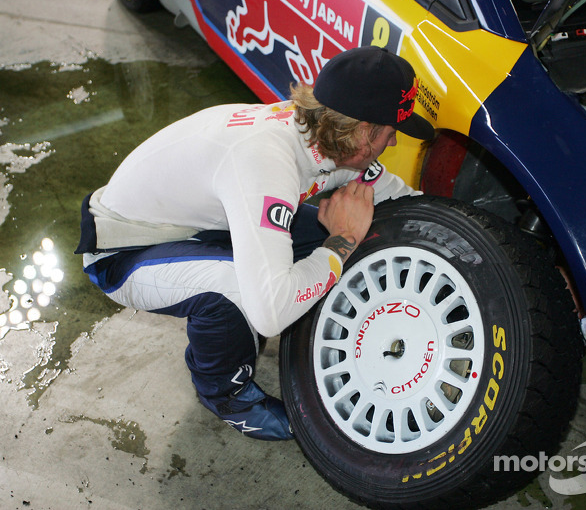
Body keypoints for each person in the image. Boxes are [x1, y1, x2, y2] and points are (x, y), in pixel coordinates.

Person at [75, 46, 434, 441]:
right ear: (364, 131)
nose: (395, 143)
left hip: (198, 225)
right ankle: (226, 395)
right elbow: (270, 313)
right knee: (240, 292)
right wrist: (342, 242)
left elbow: (398, 200)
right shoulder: (267, 160)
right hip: (125, 252)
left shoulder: (323, 135)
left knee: (338, 230)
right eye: (391, 132)